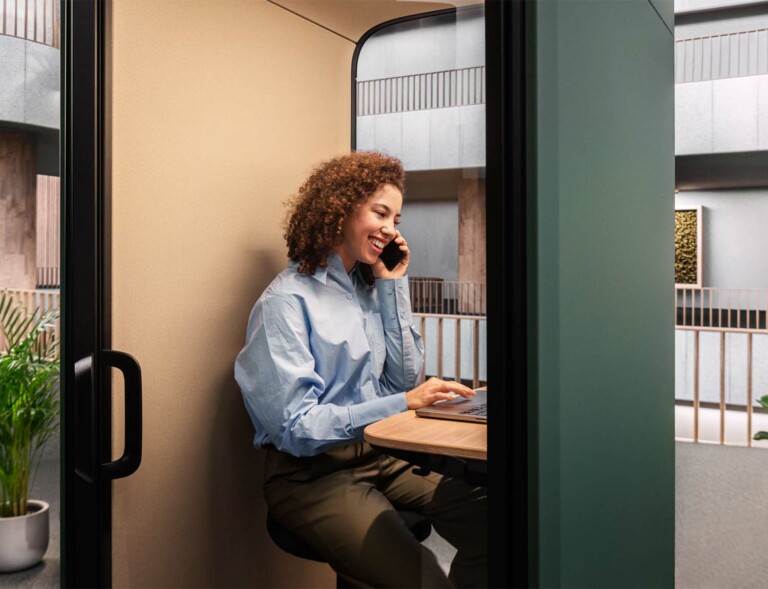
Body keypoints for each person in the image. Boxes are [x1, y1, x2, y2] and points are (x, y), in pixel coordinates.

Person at [234, 151, 487, 588]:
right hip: (311, 476)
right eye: (381, 213)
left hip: (380, 457)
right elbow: (296, 426)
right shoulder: (284, 303)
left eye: (397, 219)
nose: (391, 228)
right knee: (423, 577)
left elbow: (401, 382)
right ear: (341, 209)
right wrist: (405, 401)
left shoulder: (367, 289)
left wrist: (393, 285)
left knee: (496, 519)